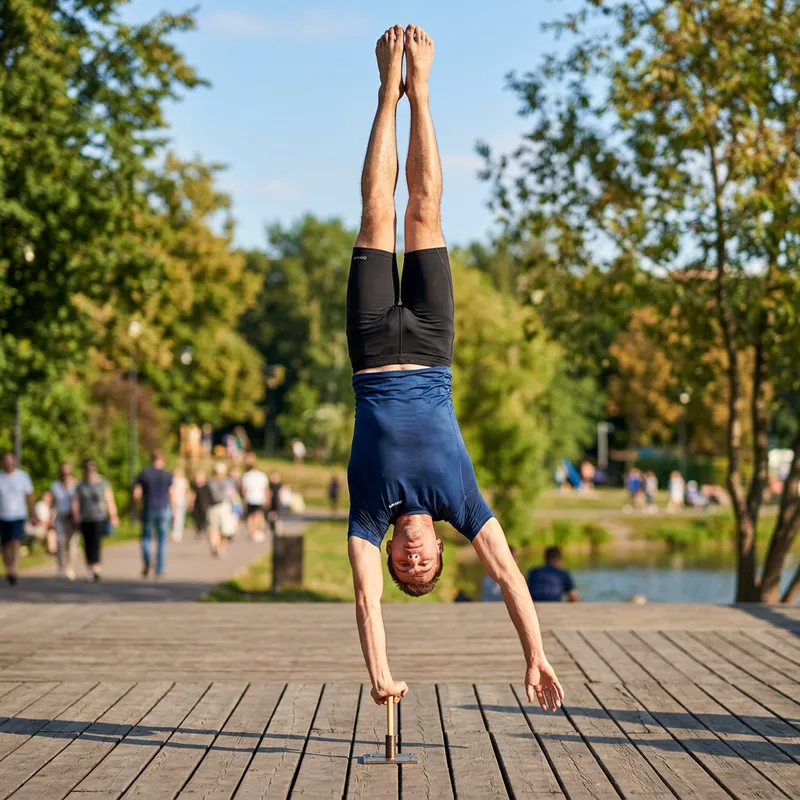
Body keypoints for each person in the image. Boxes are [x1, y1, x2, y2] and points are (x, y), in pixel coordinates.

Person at [345, 26, 563, 712]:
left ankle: (388, 91)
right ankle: (424, 95)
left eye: (404, 567)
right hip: (435, 348)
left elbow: (364, 600)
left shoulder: (367, 514)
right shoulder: (462, 505)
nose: (412, 561)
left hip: (374, 350)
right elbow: (507, 575)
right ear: (438, 546)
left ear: (392, 554)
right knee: (426, 210)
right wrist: (536, 654)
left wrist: (379, 673)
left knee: (379, 209)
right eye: (424, 566)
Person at [73, 459, 118, 581]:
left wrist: (113, 515)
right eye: (88, 469)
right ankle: (90, 568)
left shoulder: (103, 483)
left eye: (92, 468)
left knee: (96, 542)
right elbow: (76, 501)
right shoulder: (81, 485)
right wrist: (76, 515)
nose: (90, 471)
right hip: (85, 517)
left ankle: (96, 567)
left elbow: (109, 499)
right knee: (87, 543)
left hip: (99, 517)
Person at [133, 450, 175, 578]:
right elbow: (172, 495)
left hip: (148, 508)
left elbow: (136, 494)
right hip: (164, 509)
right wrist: (174, 512)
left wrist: (135, 509)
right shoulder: (167, 475)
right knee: (162, 540)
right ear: (163, 460)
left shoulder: (144, 474)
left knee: (146, 537)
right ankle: (159, 569)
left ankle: (147, 559)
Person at [0, 452, 34, 585]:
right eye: (5, 460)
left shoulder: (22, 476)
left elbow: (29, 496)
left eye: (10, 460)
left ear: (14, 461)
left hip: (18, 515)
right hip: (2, 515)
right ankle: (8, 569)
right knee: (4, 546)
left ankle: (13, 569)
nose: (8, 463)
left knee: (15, 542)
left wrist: (33, 513)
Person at [51, 462, 79, 579]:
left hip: (72, 517)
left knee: (72, 543)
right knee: (60, 542)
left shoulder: (76, 485)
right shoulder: (55, 486)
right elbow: (52, 503)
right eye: (64, 472)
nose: (66, 475)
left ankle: (70, 567)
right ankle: (61, 567)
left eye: (68, 472)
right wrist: (50, 517)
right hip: (60, 516)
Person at [207, 461, 234, 557]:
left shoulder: (227, 482)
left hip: (224, 506)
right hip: (215, 506)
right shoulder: (212, 481)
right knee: (214, 528)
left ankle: (221, 547)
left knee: (225, 529)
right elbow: (216, 496)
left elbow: (232, 495)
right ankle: (215, 546)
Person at [241, 453, 269, 543]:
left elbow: (244, 490)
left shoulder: (246, 476)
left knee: (250, 517)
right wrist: (267, 499)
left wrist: (244, 499)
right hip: (260, 498)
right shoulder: (262, 475)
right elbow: (266, 489)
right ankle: (259, 531)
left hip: (250, 498)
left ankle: (252, 533)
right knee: (259, 515)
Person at [191, 469, 212, 539]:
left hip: (205, 504)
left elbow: (209, 496)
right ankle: (199, 530)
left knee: (204, 518)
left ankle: (203, 529)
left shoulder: (207, 486)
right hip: (197, 505)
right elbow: (193, 495)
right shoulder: (195, 486)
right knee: (197, 518)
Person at [171, 465, 190, 542]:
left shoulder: (182, 481)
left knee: (178, 517)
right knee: (178, 517)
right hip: (178, 501)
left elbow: (187, 491)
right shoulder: (174, 480)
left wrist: (187, 500)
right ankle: (177, 532)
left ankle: (177, 532)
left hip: (180, 501)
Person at [267, 471, 283, 537]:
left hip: (277, 502)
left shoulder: (280, 485)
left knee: (277, 516)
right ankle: (271, 528)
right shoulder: (269, 485)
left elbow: (281, 493)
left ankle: (278, 530)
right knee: (270, 516)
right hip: (271, 502)